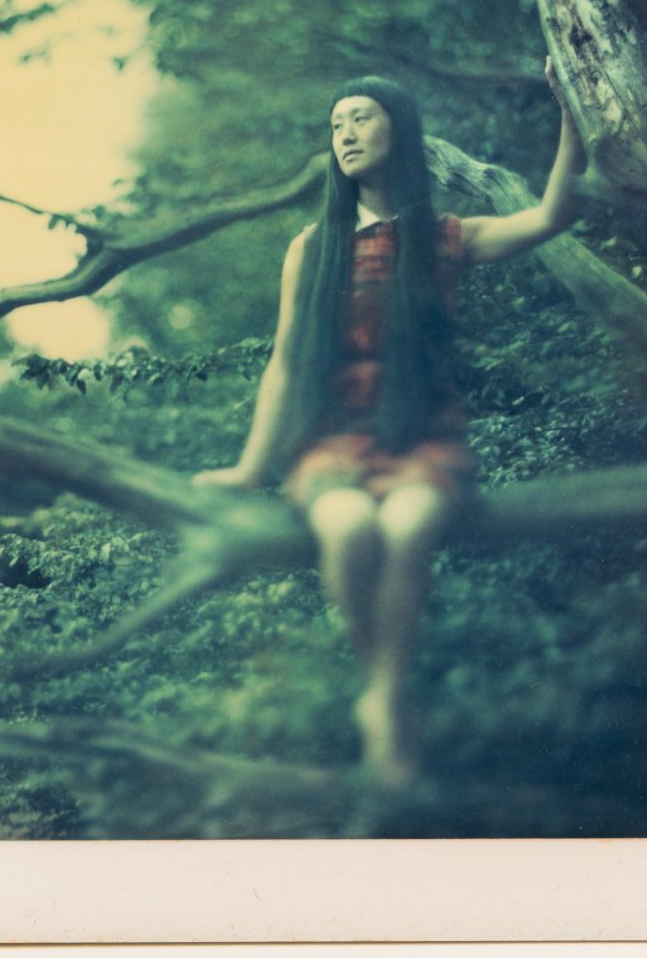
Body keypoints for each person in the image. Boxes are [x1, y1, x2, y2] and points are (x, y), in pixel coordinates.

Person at [194, 58, 586, 787]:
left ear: (398, 130)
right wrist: (252, 467)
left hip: (421, 437)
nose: (345, 133)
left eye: (360, 118)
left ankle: (384, 697)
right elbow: (283, 361)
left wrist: (574, 117)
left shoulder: (445, 237)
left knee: (406, 529)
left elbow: (551, 216)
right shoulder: (312, 248)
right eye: (336, 124)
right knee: (346, 530)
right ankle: (385, 694)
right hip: (333, 440)